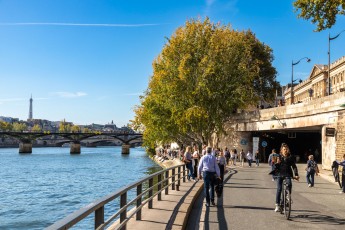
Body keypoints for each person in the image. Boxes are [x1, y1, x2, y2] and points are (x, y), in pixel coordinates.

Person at [271, 143, 299, 212]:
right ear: (281, 150)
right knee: (279, 188)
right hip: (280, 174)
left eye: (286, 149)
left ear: (288, 150)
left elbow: (294, 166)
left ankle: (286, 199)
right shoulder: (278, 157)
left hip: (288, 174)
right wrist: (276, 163)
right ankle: (277, 205)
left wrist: (296, 174)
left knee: (289, 184)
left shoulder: (290, 157)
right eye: (284, 149)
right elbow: (274, 167)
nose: (285, 150)